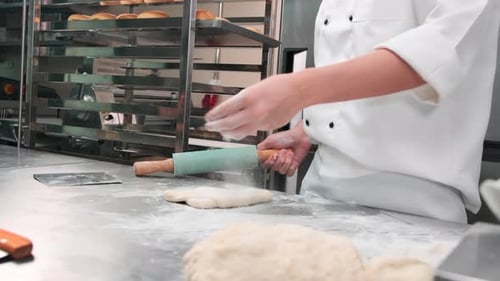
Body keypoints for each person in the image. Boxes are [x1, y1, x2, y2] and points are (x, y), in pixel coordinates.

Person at [204, 0, 500, 223]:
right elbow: (354, 68)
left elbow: (440, 51)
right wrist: (307, 129)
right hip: (321, 194)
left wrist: (298, 89)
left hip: (414, 208)